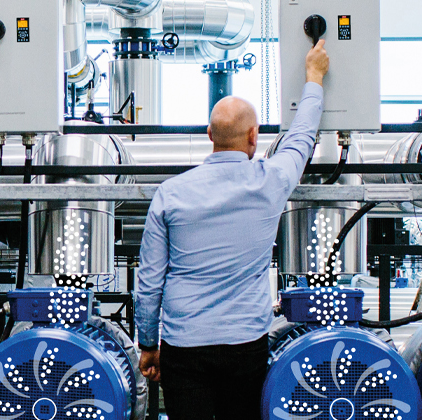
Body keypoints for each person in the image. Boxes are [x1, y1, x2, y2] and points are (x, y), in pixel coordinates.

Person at [133, 40, 330, 420]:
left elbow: (150, 280)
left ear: (209, 134)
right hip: (245, 345)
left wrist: (147, 343)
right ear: (254, 137)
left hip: (184, 345)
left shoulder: (170, 193)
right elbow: (302, 136)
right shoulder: (270, 181)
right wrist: (314, 78)